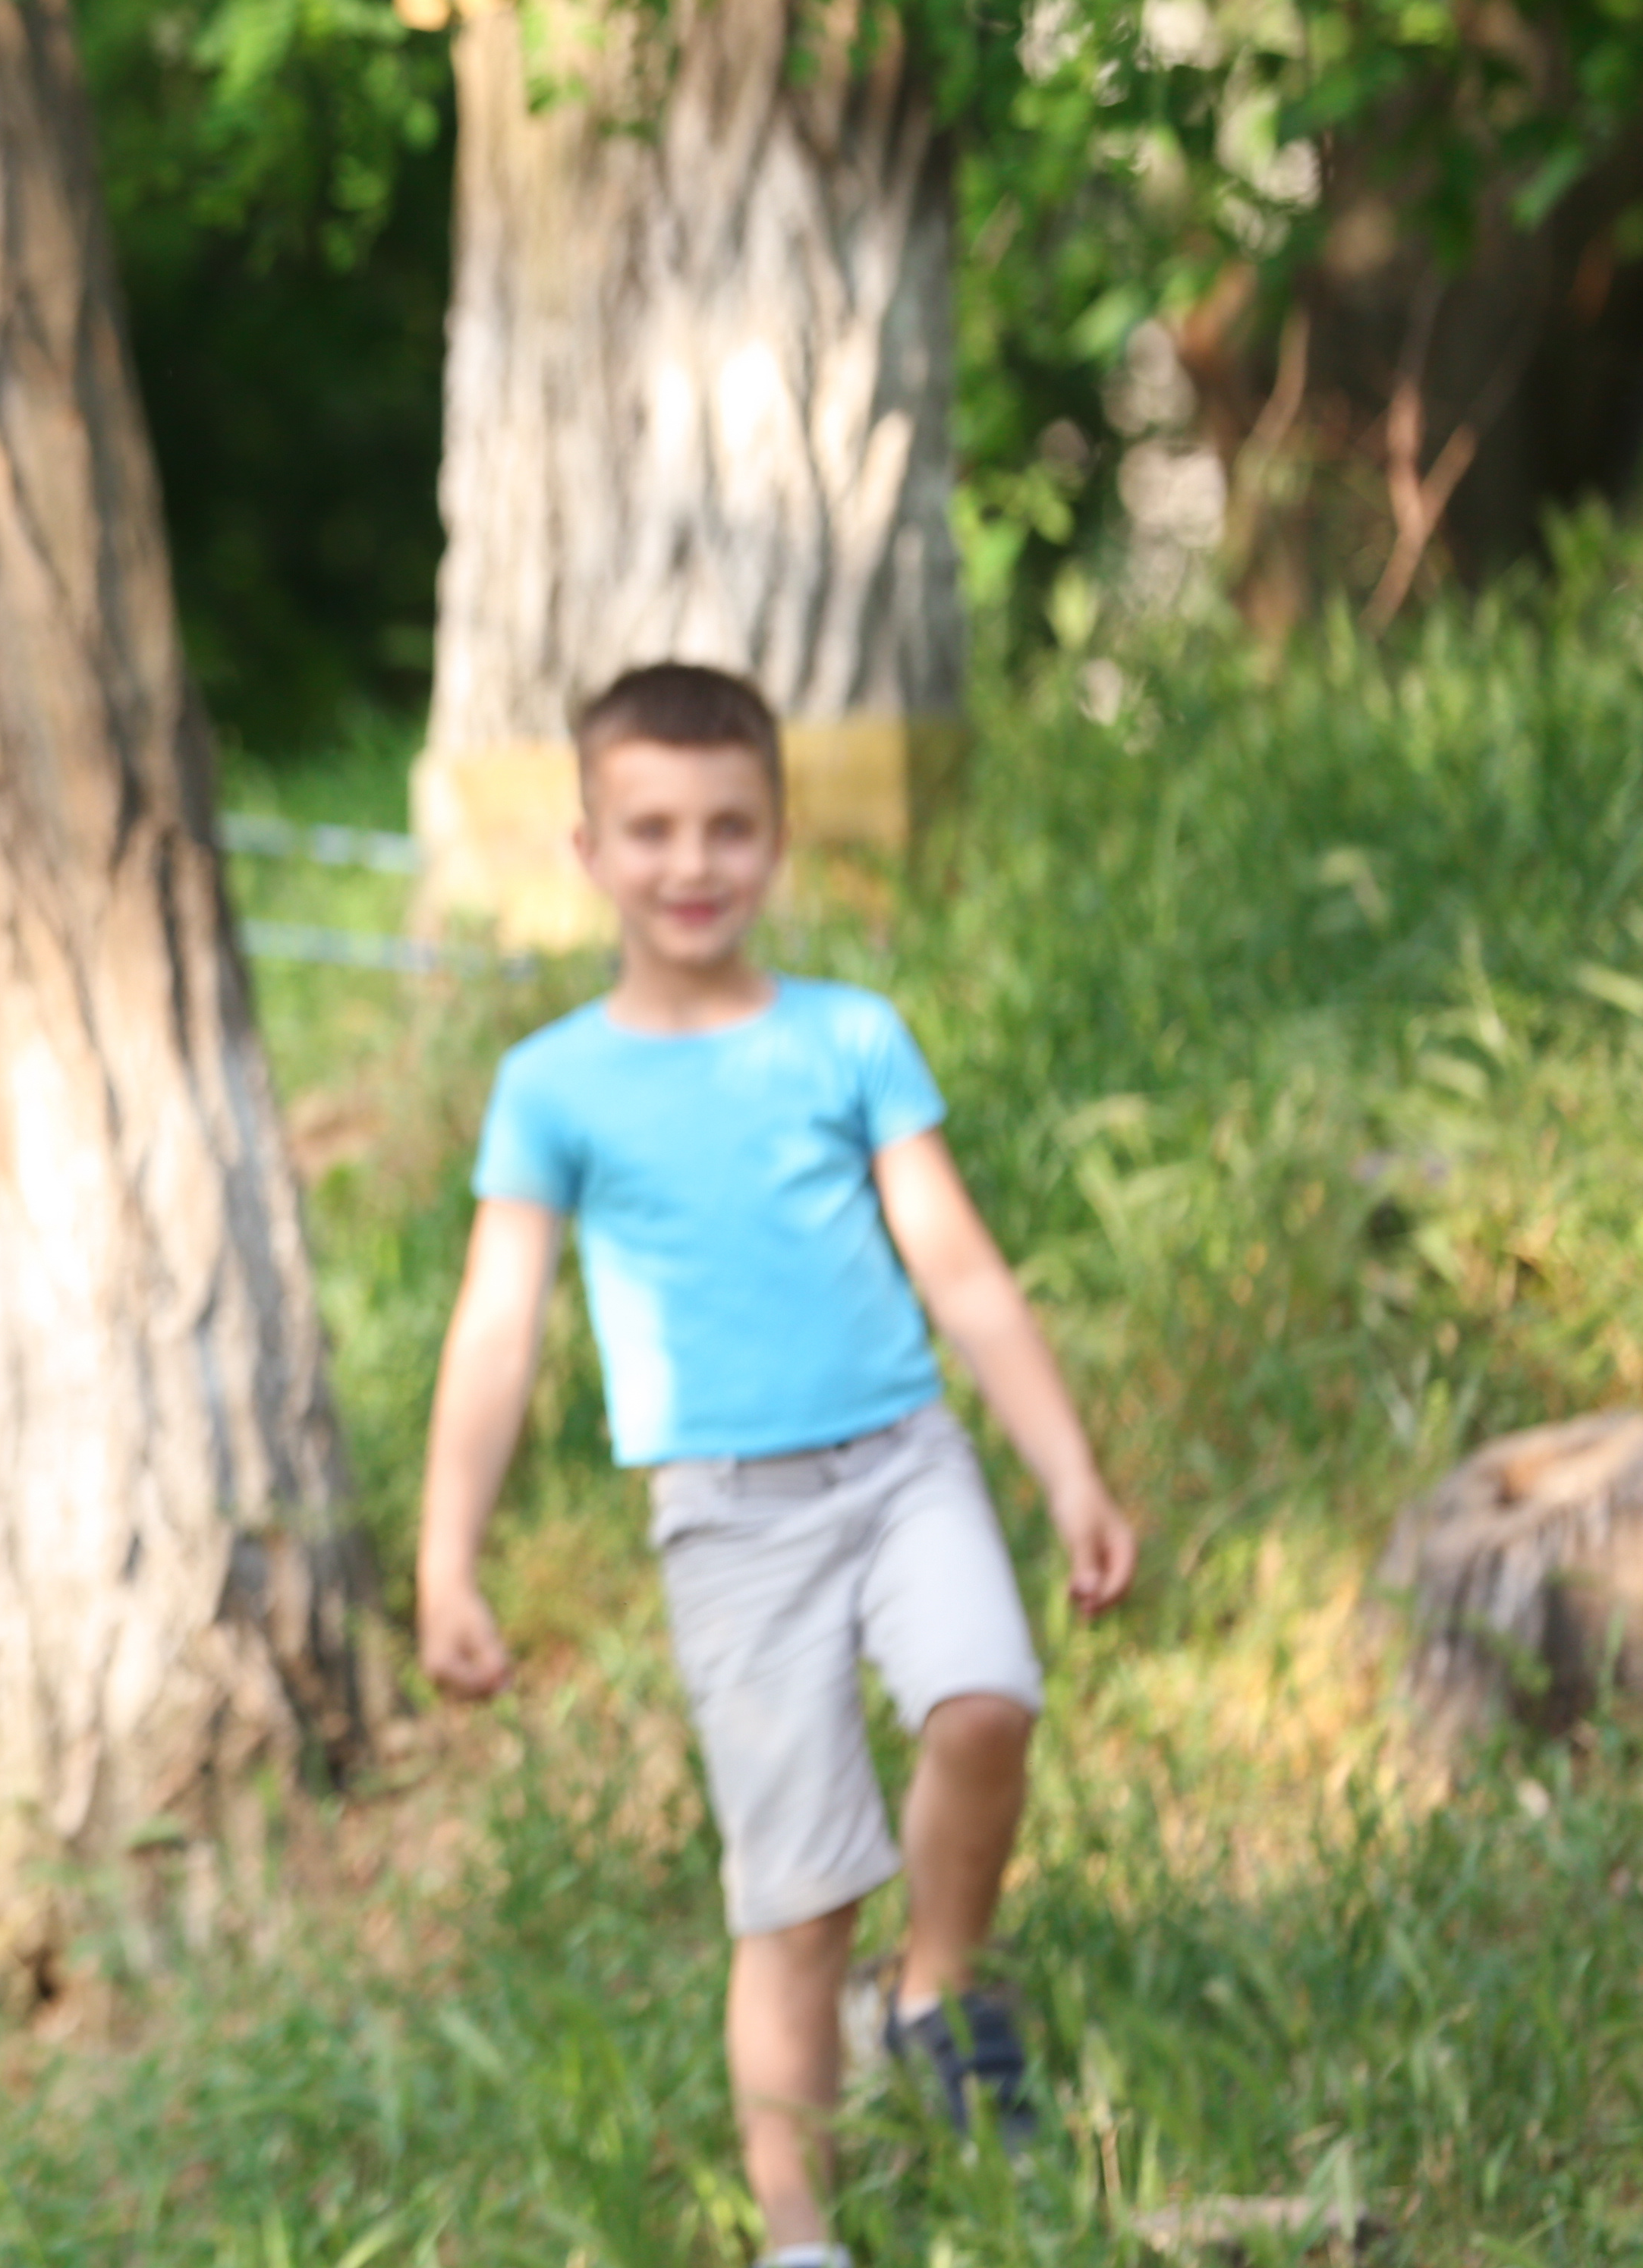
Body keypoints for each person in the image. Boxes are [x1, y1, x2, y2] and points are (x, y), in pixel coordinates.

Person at [413, 662, 1142, 2268]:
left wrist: (1070, 1471)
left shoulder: (848, 1037)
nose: (694, 864)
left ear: (782, 840)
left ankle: (940, 1992)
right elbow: (496, 1328)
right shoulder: (555, 1084)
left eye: (729, 828)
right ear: (587, 848)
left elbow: (961, 1269)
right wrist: (445, 1558)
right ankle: (799, 2232)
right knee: (797, 1900)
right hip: (729, 1522)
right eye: (654, 828)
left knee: (987, 1700)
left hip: (903, 1465)